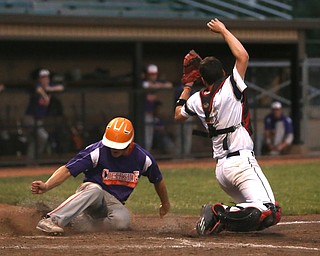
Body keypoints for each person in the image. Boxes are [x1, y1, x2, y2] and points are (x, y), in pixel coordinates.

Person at [174, 18, 281, 235]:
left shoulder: (196, 98)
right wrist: (223, 30)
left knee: (256, 217)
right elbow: (243, 56)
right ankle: (217, 213)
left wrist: (187, 85)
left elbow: (178, 115)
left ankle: (220, 219)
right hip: (241, 163)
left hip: (222, 171)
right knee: (270, 211)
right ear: (223, 72)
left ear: (202, 80)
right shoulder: (230, 86)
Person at [31, 117, 170, 235]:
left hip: (114, 202)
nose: (114, 148)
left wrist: (165, 203)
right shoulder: (97, 151)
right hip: (92, 194)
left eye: (119, 145)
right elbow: (67, 170)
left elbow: (158, 180)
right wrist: (47, 185)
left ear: (130, 144)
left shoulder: (143, 158)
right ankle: (51, 220)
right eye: (112, 144)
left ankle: (77, 222)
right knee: (95, 190)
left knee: (122, 221)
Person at [24, 69, 64, 160]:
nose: (45, 80)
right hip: (30, 119)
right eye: (43, 78)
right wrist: (45, 95)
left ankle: (31, 161)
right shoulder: (37, 86)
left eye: (46, 78)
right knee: (42, 136)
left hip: (39, 120)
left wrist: (49, 89)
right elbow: (38, 89)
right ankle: (34, 159)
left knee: (36, 140)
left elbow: (61, 87)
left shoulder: (49, 87)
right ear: (39, 79)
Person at [142, 64, 172, 151]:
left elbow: (169, 85)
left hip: (152, 115)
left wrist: (159, 85)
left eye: (155, 74)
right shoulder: (144, 82)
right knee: (145, 137)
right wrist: (159, 85)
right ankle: (144, 154)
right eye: (151, 74)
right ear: (147, 74)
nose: (153, 76)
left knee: (150, 137)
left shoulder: (156, 82)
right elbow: (147, 86)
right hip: (144, 115)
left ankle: (147, 153)